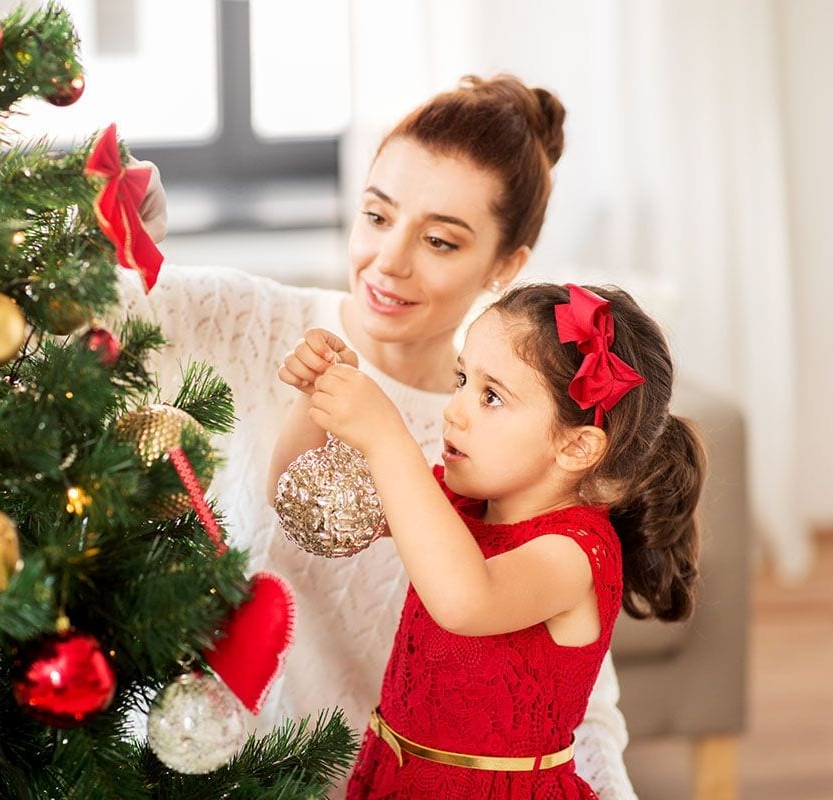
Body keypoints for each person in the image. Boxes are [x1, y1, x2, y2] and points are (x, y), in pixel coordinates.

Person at [117, 75, 639, 798]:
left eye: (441, 240)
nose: (390, 262)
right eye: (377, 215)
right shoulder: (248, 319)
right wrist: (105, 217)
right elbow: (79, 306)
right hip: (172, 762)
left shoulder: (495, 454)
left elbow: (575, 695)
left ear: (506, 266)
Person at [269, 283, 704, 798]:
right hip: (393, 776)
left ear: (576, 445)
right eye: (461, 378)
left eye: (491, 395)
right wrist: (314, 398)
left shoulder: (574, 554)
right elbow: (299, 501)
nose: (454, 410)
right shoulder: (456, 505)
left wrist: (388, 438)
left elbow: (465, 601)